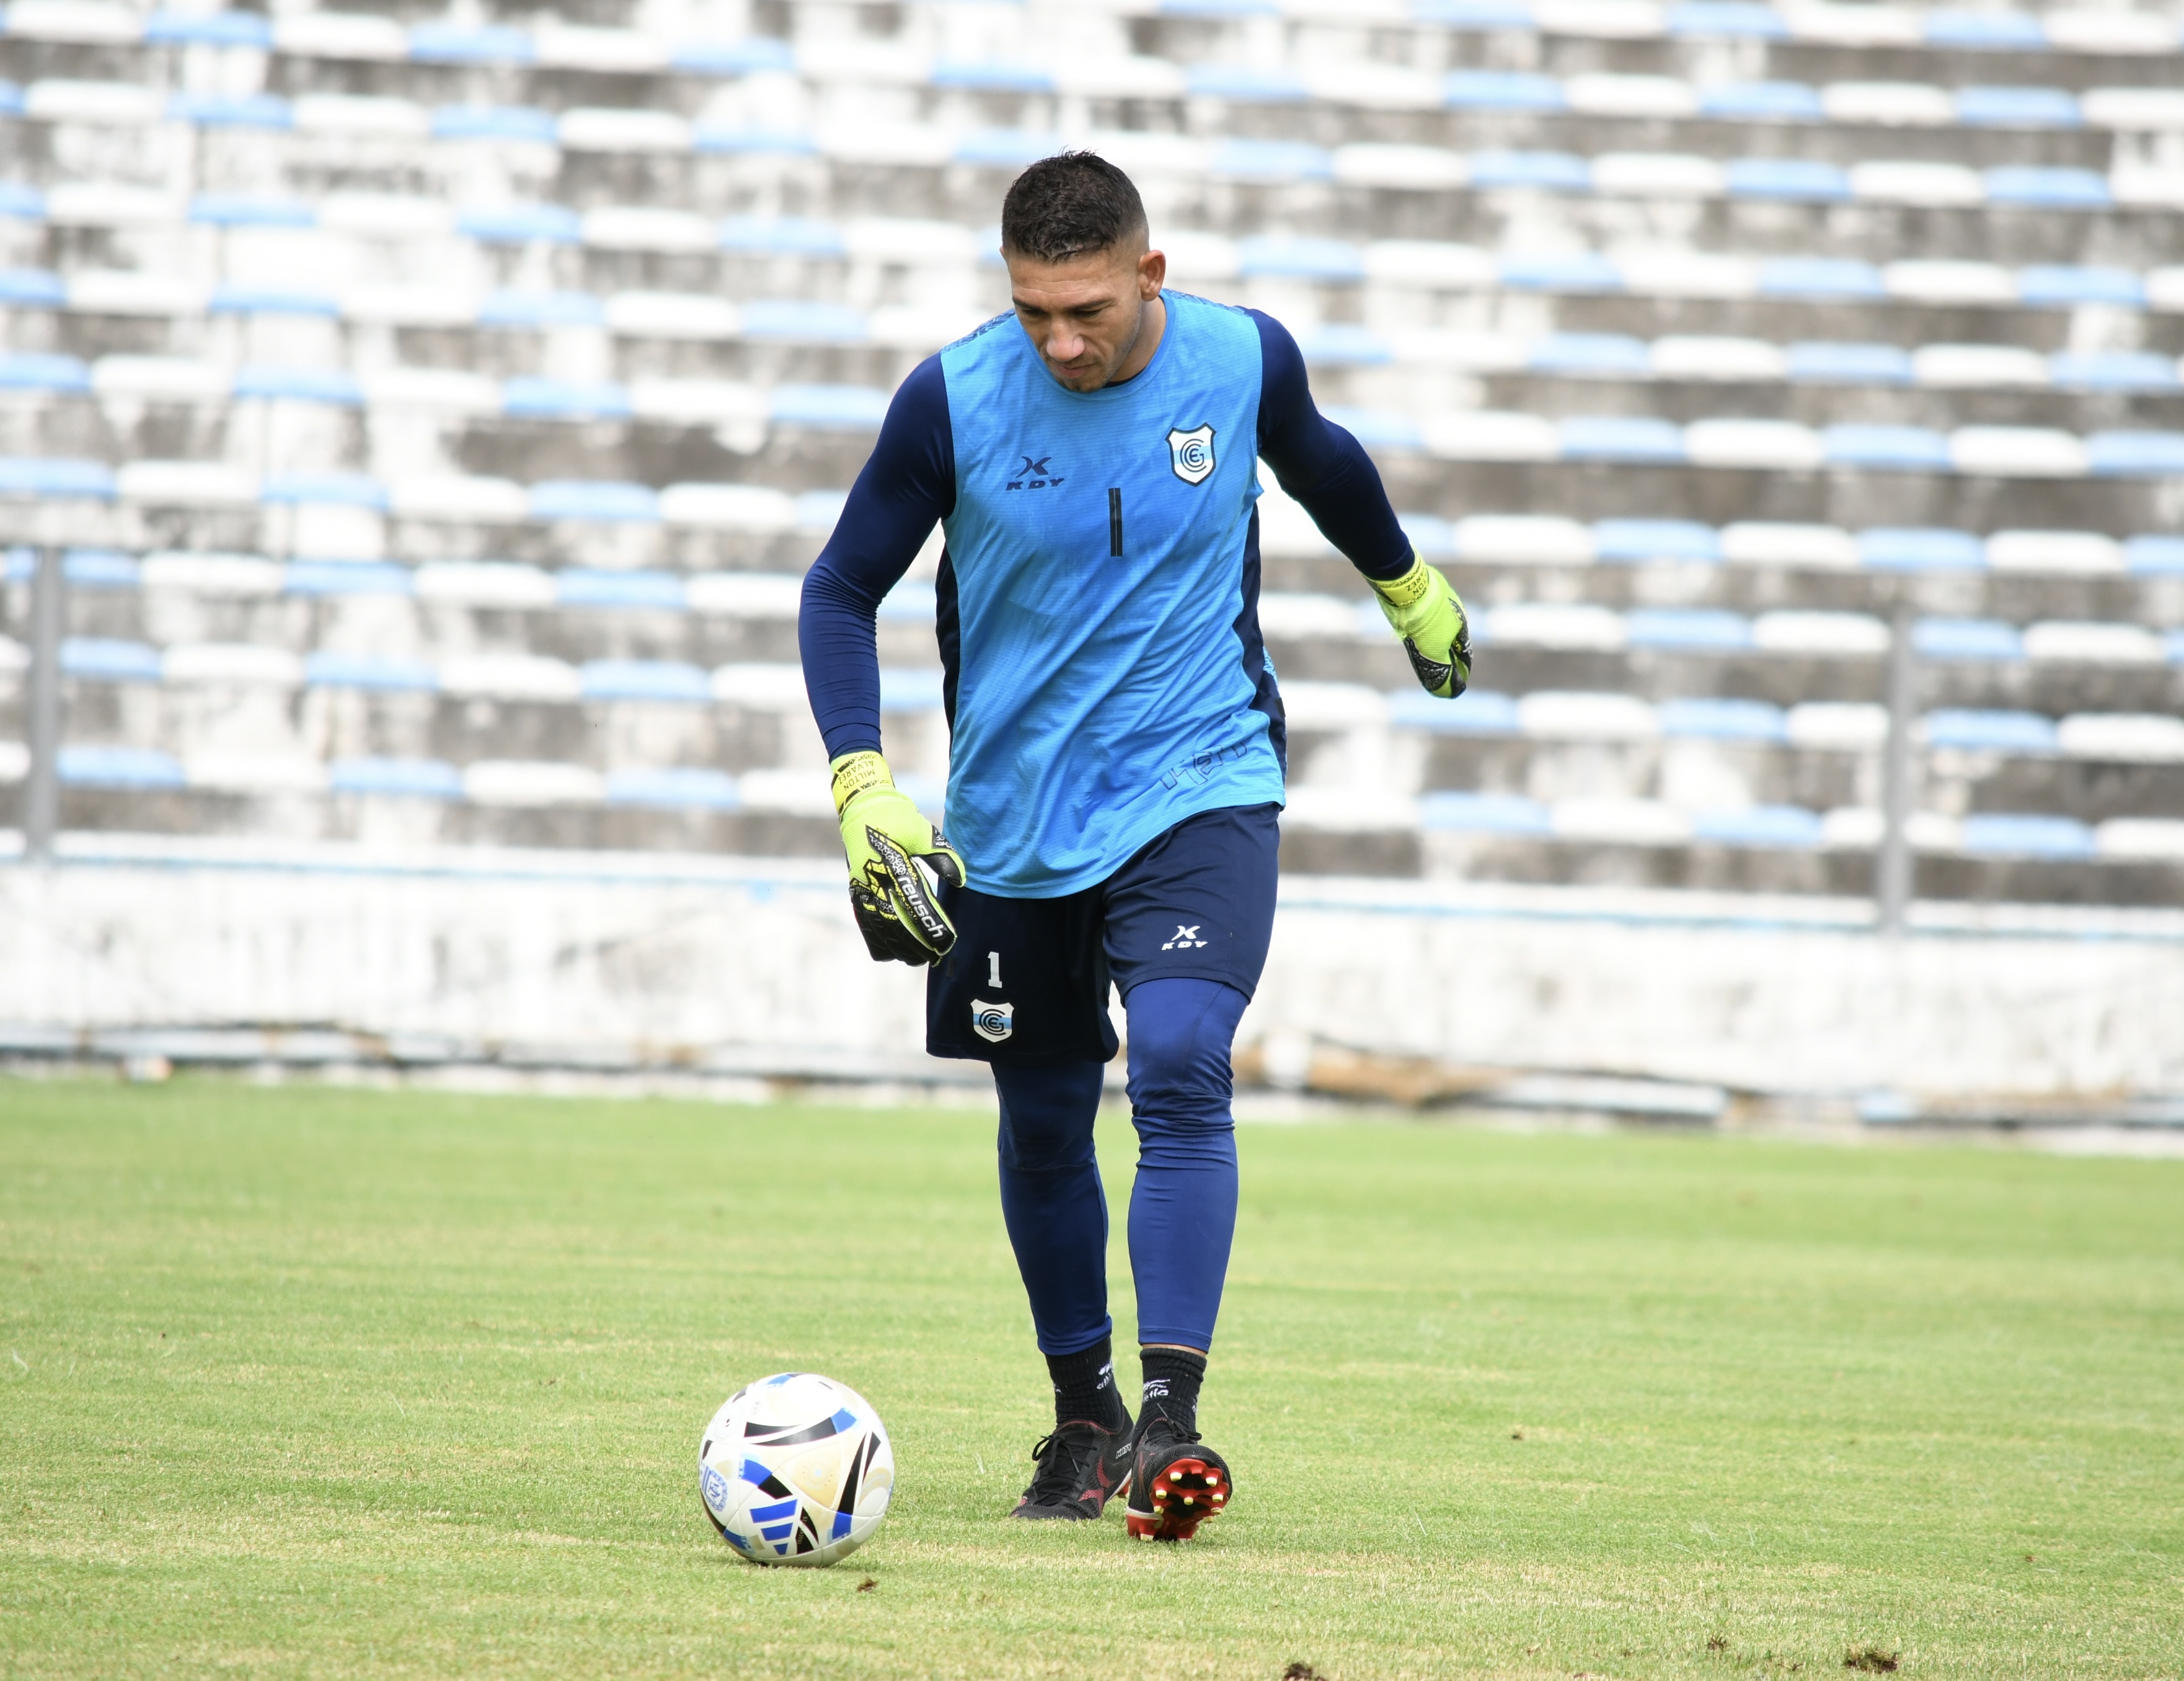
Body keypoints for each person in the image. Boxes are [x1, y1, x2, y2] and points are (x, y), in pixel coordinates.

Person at [798, 152, 1469, 1542]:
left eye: (1088, 310)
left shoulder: (1241, 361)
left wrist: (1405, 585)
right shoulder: (951, 399)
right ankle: (1085, 1416)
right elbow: (839, 587)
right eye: (1034, 311)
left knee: (1177, 1058)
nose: (1061, 341)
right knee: (1045, 1122)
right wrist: (862, 783)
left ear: (1149, 274)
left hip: (1199, 782)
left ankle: (1172, 1414)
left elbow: (1325, 462)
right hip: (1014, 822)